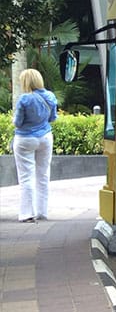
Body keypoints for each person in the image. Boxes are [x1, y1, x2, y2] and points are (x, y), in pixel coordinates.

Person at [12, 68, 58, 223]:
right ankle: (42, 212)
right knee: (43, 175)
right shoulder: (50, 96)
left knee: (26, 177)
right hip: (45, 138)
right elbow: (53, 118)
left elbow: (18, 122)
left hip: (25, 139)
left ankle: (27, 213)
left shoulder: (24, 99)